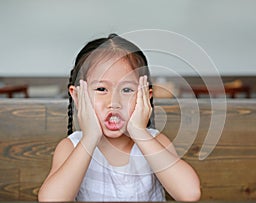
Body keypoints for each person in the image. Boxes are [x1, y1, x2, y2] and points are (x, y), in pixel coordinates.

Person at [38, 33, 201, 202]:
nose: (114, 102)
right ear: (77, 96)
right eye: (101, 89)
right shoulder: (71, 147)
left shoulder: (154, 141)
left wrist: (139, 132)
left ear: (145, 96)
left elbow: (190, 193)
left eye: (127, 90)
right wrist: (90, 138)